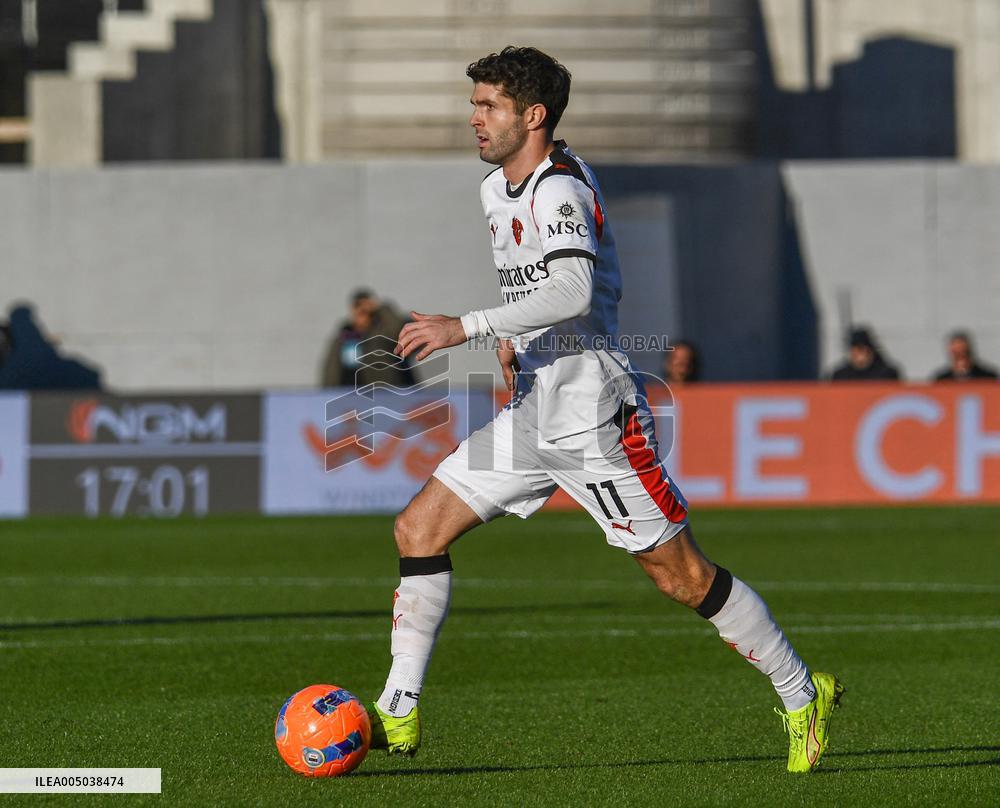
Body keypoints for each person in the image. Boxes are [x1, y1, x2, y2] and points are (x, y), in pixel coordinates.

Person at [366, 46, 842, 774]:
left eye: (487, 106)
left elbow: (573, 293)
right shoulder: (499, 190)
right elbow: (536, 296)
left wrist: (467, 328)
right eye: (475, 105)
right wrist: (513, 341)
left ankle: (802, 692)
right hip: (533, 409)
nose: (474, 119)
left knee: (679, 576)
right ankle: (397, 708)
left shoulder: (560, 189)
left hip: (594, 415)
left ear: (533, 115)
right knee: (419, 527)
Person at [321, 289, 415, 388]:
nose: (361, 312)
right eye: (357, 307)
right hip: (350, 395)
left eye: (366, 311)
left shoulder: (383, 334)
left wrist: (380, 308)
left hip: (383, 393)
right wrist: (328, 393)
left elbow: (398, 329)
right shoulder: (344, 336)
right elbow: (331, 369)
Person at [830, 327, 901, 381]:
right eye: (853, 350)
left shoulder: (886, 374)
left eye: (860, 349)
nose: (856, 354)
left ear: (870, 351)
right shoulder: (840, 376)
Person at [932, 330, 997, 381]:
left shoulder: (987, 377)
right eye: (956, 353)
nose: (961, 360)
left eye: (963, 352)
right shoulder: (942, 380)